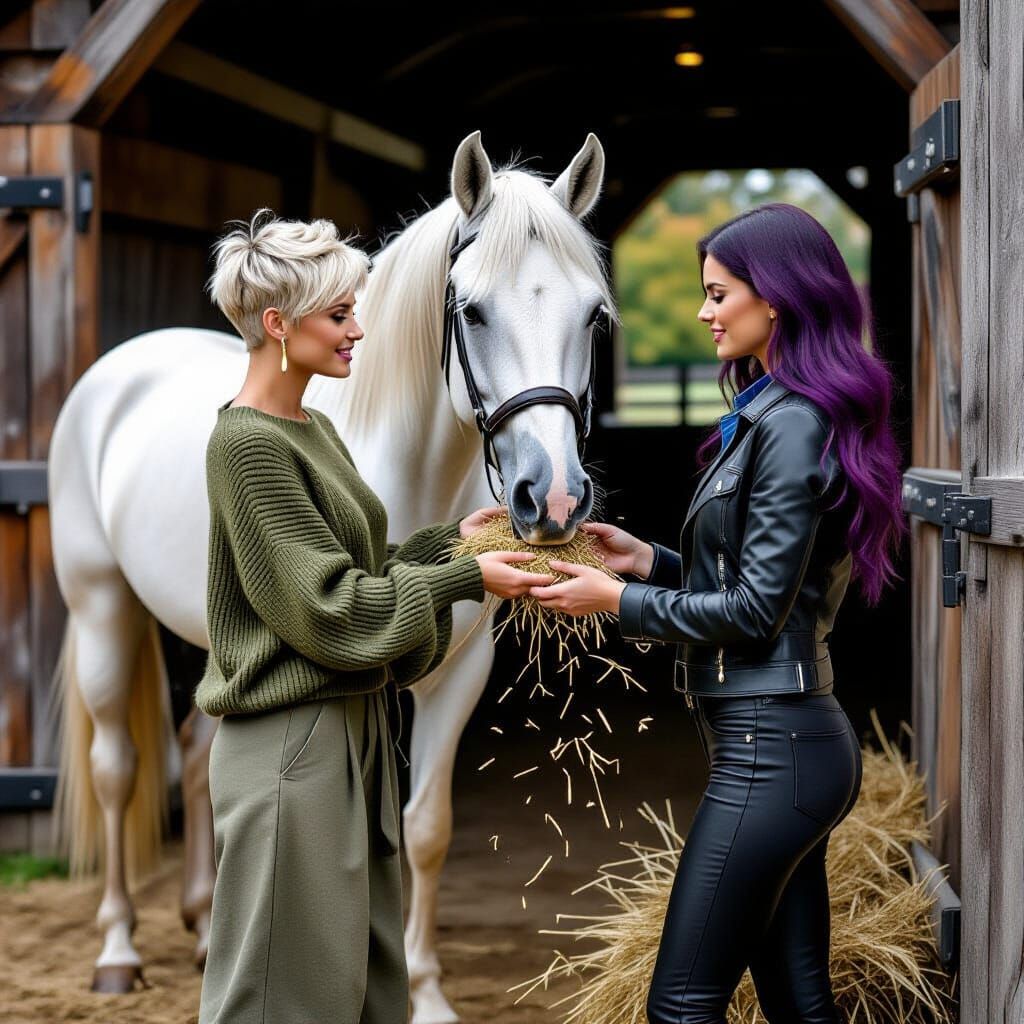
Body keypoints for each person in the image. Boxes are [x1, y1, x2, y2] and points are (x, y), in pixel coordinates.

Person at [529, 202, 906, 1024]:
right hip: (782, 743)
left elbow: (757, 609)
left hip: (776, 752)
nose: (702, 312)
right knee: (799, 1001)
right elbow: (767, 581)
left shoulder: (793, 423)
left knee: (684, 1005)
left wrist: (617, 599)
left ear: (775, 297)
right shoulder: (773, 412)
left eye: (717, 293)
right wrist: (647, 560)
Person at [195, 209, 553, 1024]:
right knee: (283, 999)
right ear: (279, 326)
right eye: (339, 314)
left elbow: (359, 572)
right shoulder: (248, 446)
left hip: (348, 735)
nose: (361, 329)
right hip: (291, 743)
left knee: (361, 988)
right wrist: (463, 575)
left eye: (356, 309)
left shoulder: (311, 426)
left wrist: (449, 542)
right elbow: (328, 613)